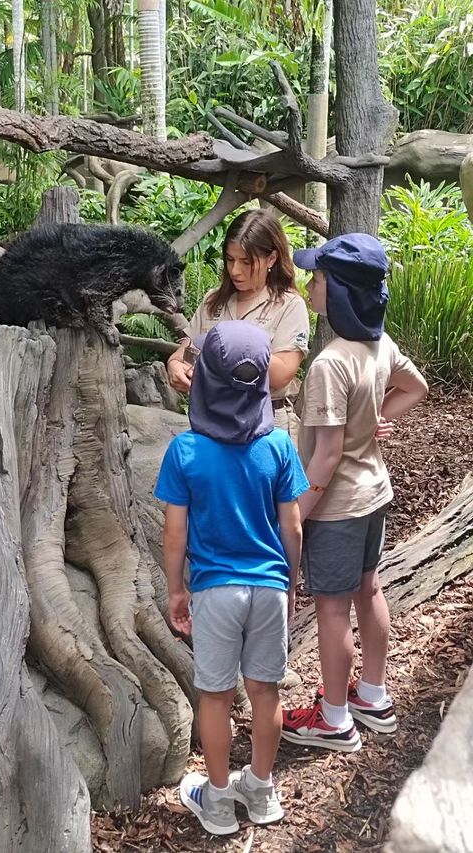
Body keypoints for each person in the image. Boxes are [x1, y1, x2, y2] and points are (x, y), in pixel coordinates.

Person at [154, 321, 309, 835]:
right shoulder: (280, 446)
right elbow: (292, 525)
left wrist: (177, 588)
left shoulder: (186, 452)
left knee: (215, 696)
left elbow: (175, 534)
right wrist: (289, 584)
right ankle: (261, 793)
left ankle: (217, 801)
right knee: (266, 692)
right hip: (267, 586)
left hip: (215, 590)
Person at [281, 234, 428, 753]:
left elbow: (325, 455)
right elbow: (417, 388)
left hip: (339, 506)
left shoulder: (328, 364)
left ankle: (336, 719)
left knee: (331, 608)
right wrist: (377, 421)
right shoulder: (379, 344)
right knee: (370, 591)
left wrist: (295, 516)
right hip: (375, 494)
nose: (309, 285)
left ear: (339, 292)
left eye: (317, 279)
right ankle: (373, 695)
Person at [166, 209, 310, 441]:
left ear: (271, 259)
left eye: (246, 262)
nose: (235, 270)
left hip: (268, 424)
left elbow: (282, 375)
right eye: (230, 260)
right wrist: (175, 365)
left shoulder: (289, 305)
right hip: (214, 422)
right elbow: (187, 352)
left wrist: (234, 342)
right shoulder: (214, 300)